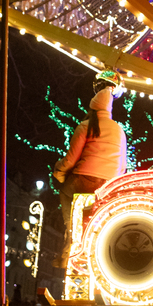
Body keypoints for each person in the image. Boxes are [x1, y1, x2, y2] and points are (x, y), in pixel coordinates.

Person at [52, 69, 127, 266]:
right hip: (106, 188)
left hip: (82, 182)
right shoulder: (119, 130)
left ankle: (72, 236)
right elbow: (122, 168)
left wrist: (58, 172)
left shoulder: (85, 125)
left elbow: (70, 159)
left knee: (66, 194)